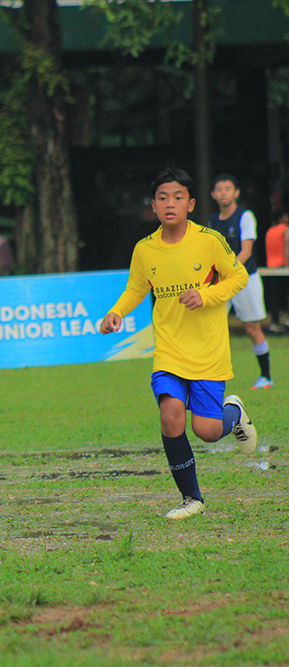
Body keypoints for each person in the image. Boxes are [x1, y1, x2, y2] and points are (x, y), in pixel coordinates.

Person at [100, 167, 257, 521]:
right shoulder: (145, 249)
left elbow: (239, 276)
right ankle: (192, 498)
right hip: (169, 351)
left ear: (191, 204)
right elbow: (136, 290)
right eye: (162, 198)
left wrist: (206, 295)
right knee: (170, 415)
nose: (170, 203)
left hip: (208, 350)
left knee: (207, 431)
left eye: (178, 197)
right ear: (153, 206)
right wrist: (116, 313)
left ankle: (233, 412)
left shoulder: (209, 240)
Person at [209, 174, 273, 389]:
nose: (223, 193)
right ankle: (212, 375)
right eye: (219, 189)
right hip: (221, 282)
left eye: (227, 189)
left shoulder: (245, 216)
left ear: (236, 192)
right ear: (213, 194)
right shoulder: (213, 220)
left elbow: (246, 251)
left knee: (252, 328)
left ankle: (266, 377)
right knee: (212, 328)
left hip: (245, 279)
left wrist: (229, 271)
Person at [263, 209, 289, 333]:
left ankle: (275, 322)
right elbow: (286, 248)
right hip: (284, 267)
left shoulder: (270, 231)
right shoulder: (285, 230)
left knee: (275, 297)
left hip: (271, 267)